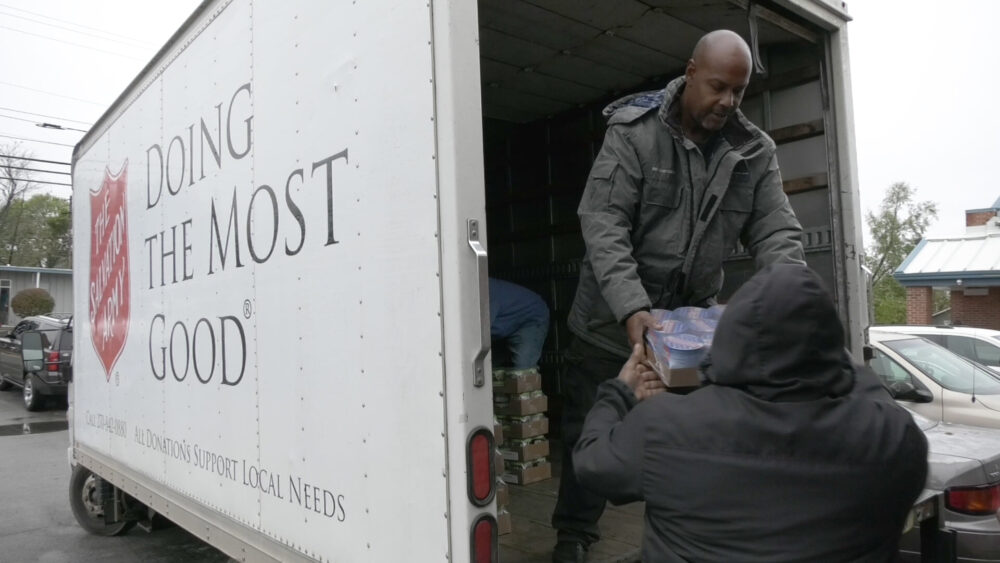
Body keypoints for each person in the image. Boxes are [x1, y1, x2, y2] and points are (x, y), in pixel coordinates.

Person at [552, 29, 805, 561]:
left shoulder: (753, 151)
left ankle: (673, 542)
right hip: (606, 326)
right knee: (586, 436)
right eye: (717, 86)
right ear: (690, 71)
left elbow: (777, 233)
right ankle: (573, 537)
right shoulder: (634, 133)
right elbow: (603, 220)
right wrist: (631, 306)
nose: (727, 102)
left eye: (737, 92)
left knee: (683, 441)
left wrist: (786, 303)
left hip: (686, 339)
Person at [574, 263, 929, 562]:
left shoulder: (664, 425)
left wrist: (619, 392)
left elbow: (592, 464)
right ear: (829, 345)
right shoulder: (894, 439)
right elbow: (867, 388)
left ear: (729, 340)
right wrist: (824, 348)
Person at [489, 277, 550, 369]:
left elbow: (479, 334)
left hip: (530, 318)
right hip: (503, 321)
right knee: (485, 367)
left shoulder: (486, 292)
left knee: (523, 369)